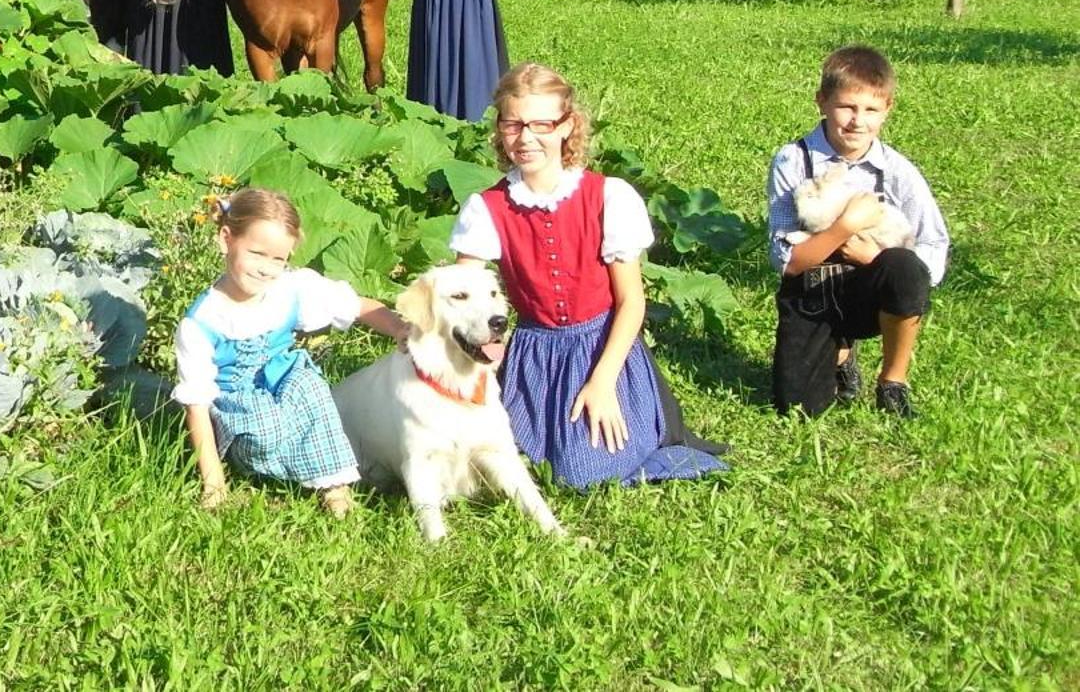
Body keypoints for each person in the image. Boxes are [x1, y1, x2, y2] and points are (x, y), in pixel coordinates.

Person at [451, 63, 727, 488]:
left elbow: (631, 302)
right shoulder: (486, 207)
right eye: (514, 124)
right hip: (532, 356)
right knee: (507, 467)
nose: (526, 138)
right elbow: (462, 294)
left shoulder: (608, 196)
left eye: (541, 123)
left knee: (583, 474)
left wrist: (602, 382)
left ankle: (640, 430)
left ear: (567, 126)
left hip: (603, 350)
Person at [175, 188, 411, 516]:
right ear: (226, 239)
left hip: (283, 382)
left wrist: (400, 328)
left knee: (309, 385)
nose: (266, 269)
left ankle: (335, 488)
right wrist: (214, 484)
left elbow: (357, 306)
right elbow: (196, 407)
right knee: (268, 427)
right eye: (256, 253)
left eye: (278, 259)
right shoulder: (203, 322)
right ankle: (277, 469)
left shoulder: (290, 288)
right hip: (240, 404)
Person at [767, 45, 949, 419]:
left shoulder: (897, 170)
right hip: (813, 288)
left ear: (887, 111)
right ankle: (840, 354)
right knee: (798, 408)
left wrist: (875, 259)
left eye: (870, 110)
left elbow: (935, 242)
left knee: (905, 267)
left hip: (871, 285)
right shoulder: (793, 160)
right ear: (821, 102)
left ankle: (893, 381)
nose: (857, 121)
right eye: (847, 107)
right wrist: (845, 227)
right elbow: (785, 260)